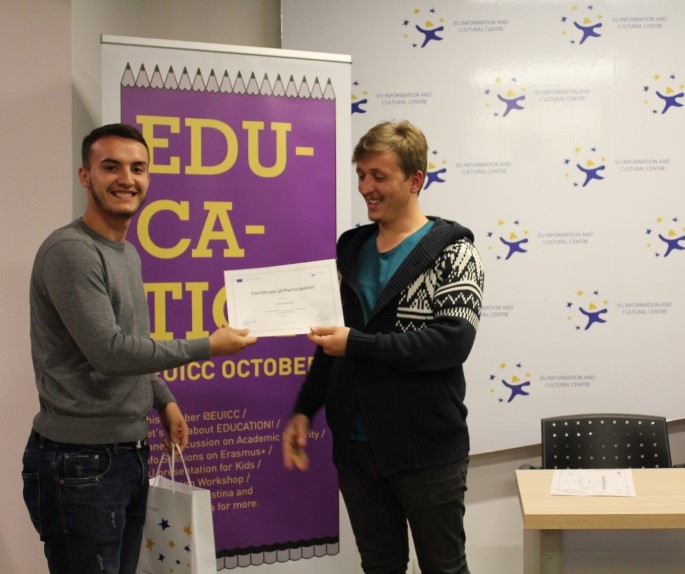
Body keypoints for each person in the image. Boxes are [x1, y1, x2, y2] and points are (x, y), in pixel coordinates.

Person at [21, 123, 257, 574]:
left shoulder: (125, 252)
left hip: (125, 453)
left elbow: (132, 341)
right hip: (80, 463)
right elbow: (111, 352)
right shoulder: (72, 252)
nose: (126, 179)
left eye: (137, 168)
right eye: (111, 167)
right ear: (85, 176)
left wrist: (162, 400)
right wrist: (208, 346)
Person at [282, 120, 484, 574]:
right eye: (361, 175)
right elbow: (330, 342)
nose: (365, 187)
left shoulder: (454, 252)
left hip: (427, 447)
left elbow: (452, 343)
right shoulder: (351, 249)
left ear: (415, 180)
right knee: (379, 566)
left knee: (445, 568)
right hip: (356, 451)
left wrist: (356, 343)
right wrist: (304, 409)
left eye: (379, 176)